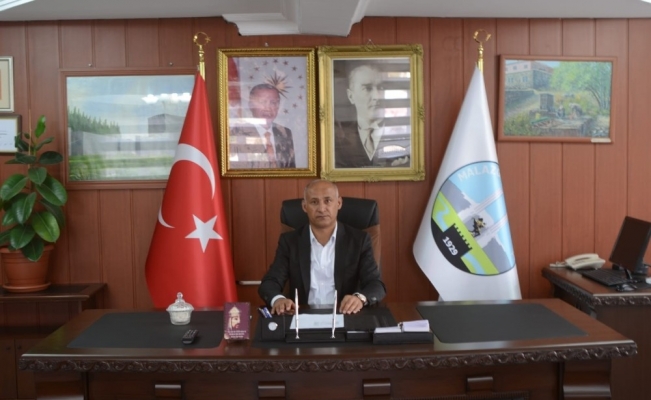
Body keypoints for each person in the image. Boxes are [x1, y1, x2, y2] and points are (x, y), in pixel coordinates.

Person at [258, 179, 386, 315]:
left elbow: (375, 284)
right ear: (304, 206)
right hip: (302, 316)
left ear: (339, 203)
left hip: (345, 315)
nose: (321, 208)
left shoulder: (359, 240)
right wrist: (278, 299)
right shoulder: (290, 241)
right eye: (314, 202)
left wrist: (359, 298)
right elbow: (270, 282)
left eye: (328, 201)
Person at [334, 63, 410, 168]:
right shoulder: (339, 140)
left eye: (381, 88)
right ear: (351, 96)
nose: (376, 96)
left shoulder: (404, 133)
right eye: (367, 88)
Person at [229, 83, 295, 169]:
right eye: (262, 102)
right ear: (251, 105)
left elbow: (290, 169)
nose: (268, 108)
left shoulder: (285, 132)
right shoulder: (236, 132)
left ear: (278, 106)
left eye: (273, 103)